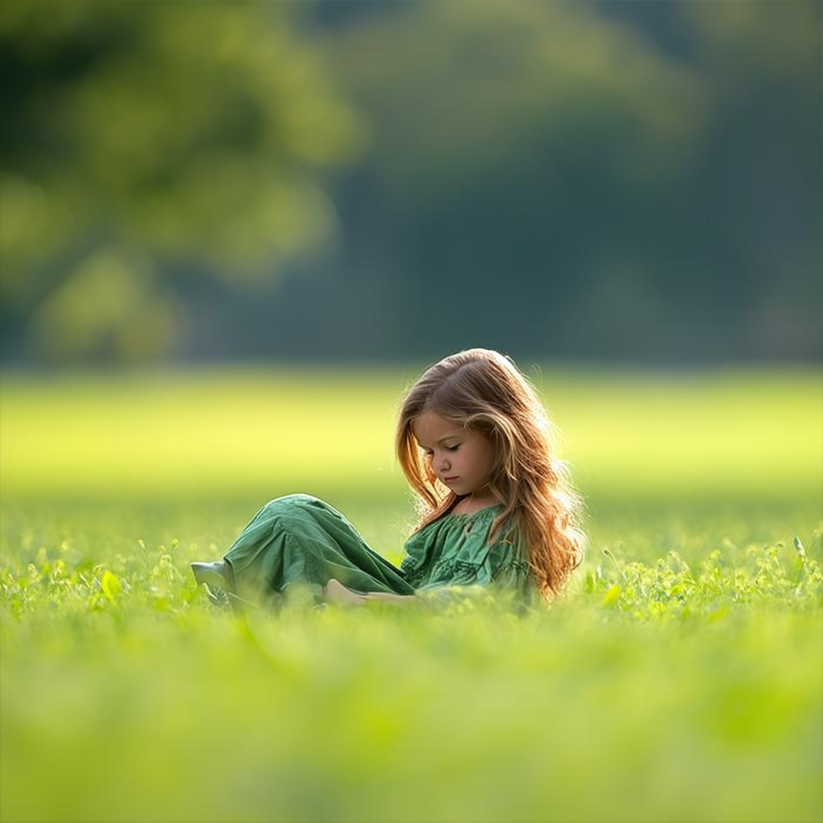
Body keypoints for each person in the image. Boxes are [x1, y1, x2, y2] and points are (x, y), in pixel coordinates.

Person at [191, 348, 584, 609]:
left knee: (326, 591)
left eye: (451, 447)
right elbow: (412, 578)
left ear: (501, 435)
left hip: (416, 611)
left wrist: (374, 604)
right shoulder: (458, 508)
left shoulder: (510, 521)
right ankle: (238, 574)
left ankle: (275, 600)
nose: (439, 465)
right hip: (403, 597)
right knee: (292, 512)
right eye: (429, 452)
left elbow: (486, 604)